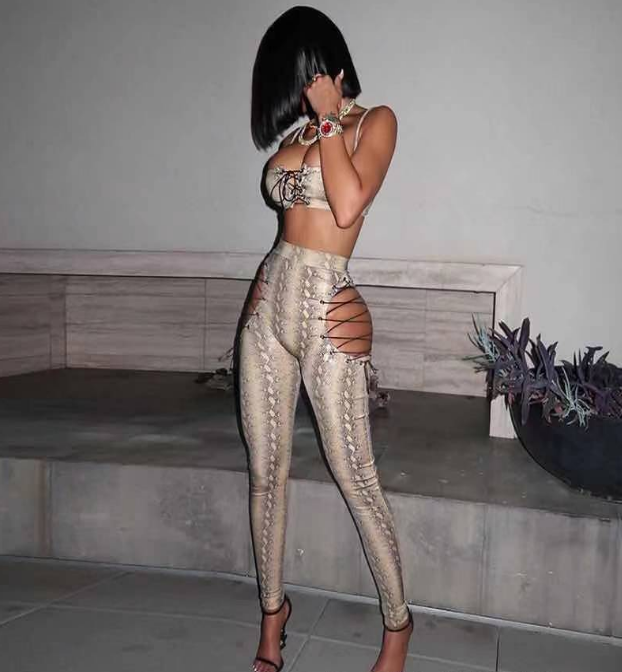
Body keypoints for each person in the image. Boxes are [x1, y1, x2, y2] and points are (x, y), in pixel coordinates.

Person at [238, 6, 413, 672]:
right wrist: (258, 298)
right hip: (268, 309)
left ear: (320, 66)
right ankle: (272, 617)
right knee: (265, 475)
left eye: (297, 76)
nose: (293, 92)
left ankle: (398, 626)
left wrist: (333, 117)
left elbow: (346, 206)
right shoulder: (299, 132)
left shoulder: (375, 122)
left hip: (325, 310)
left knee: (355, 475)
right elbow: (286, 226)